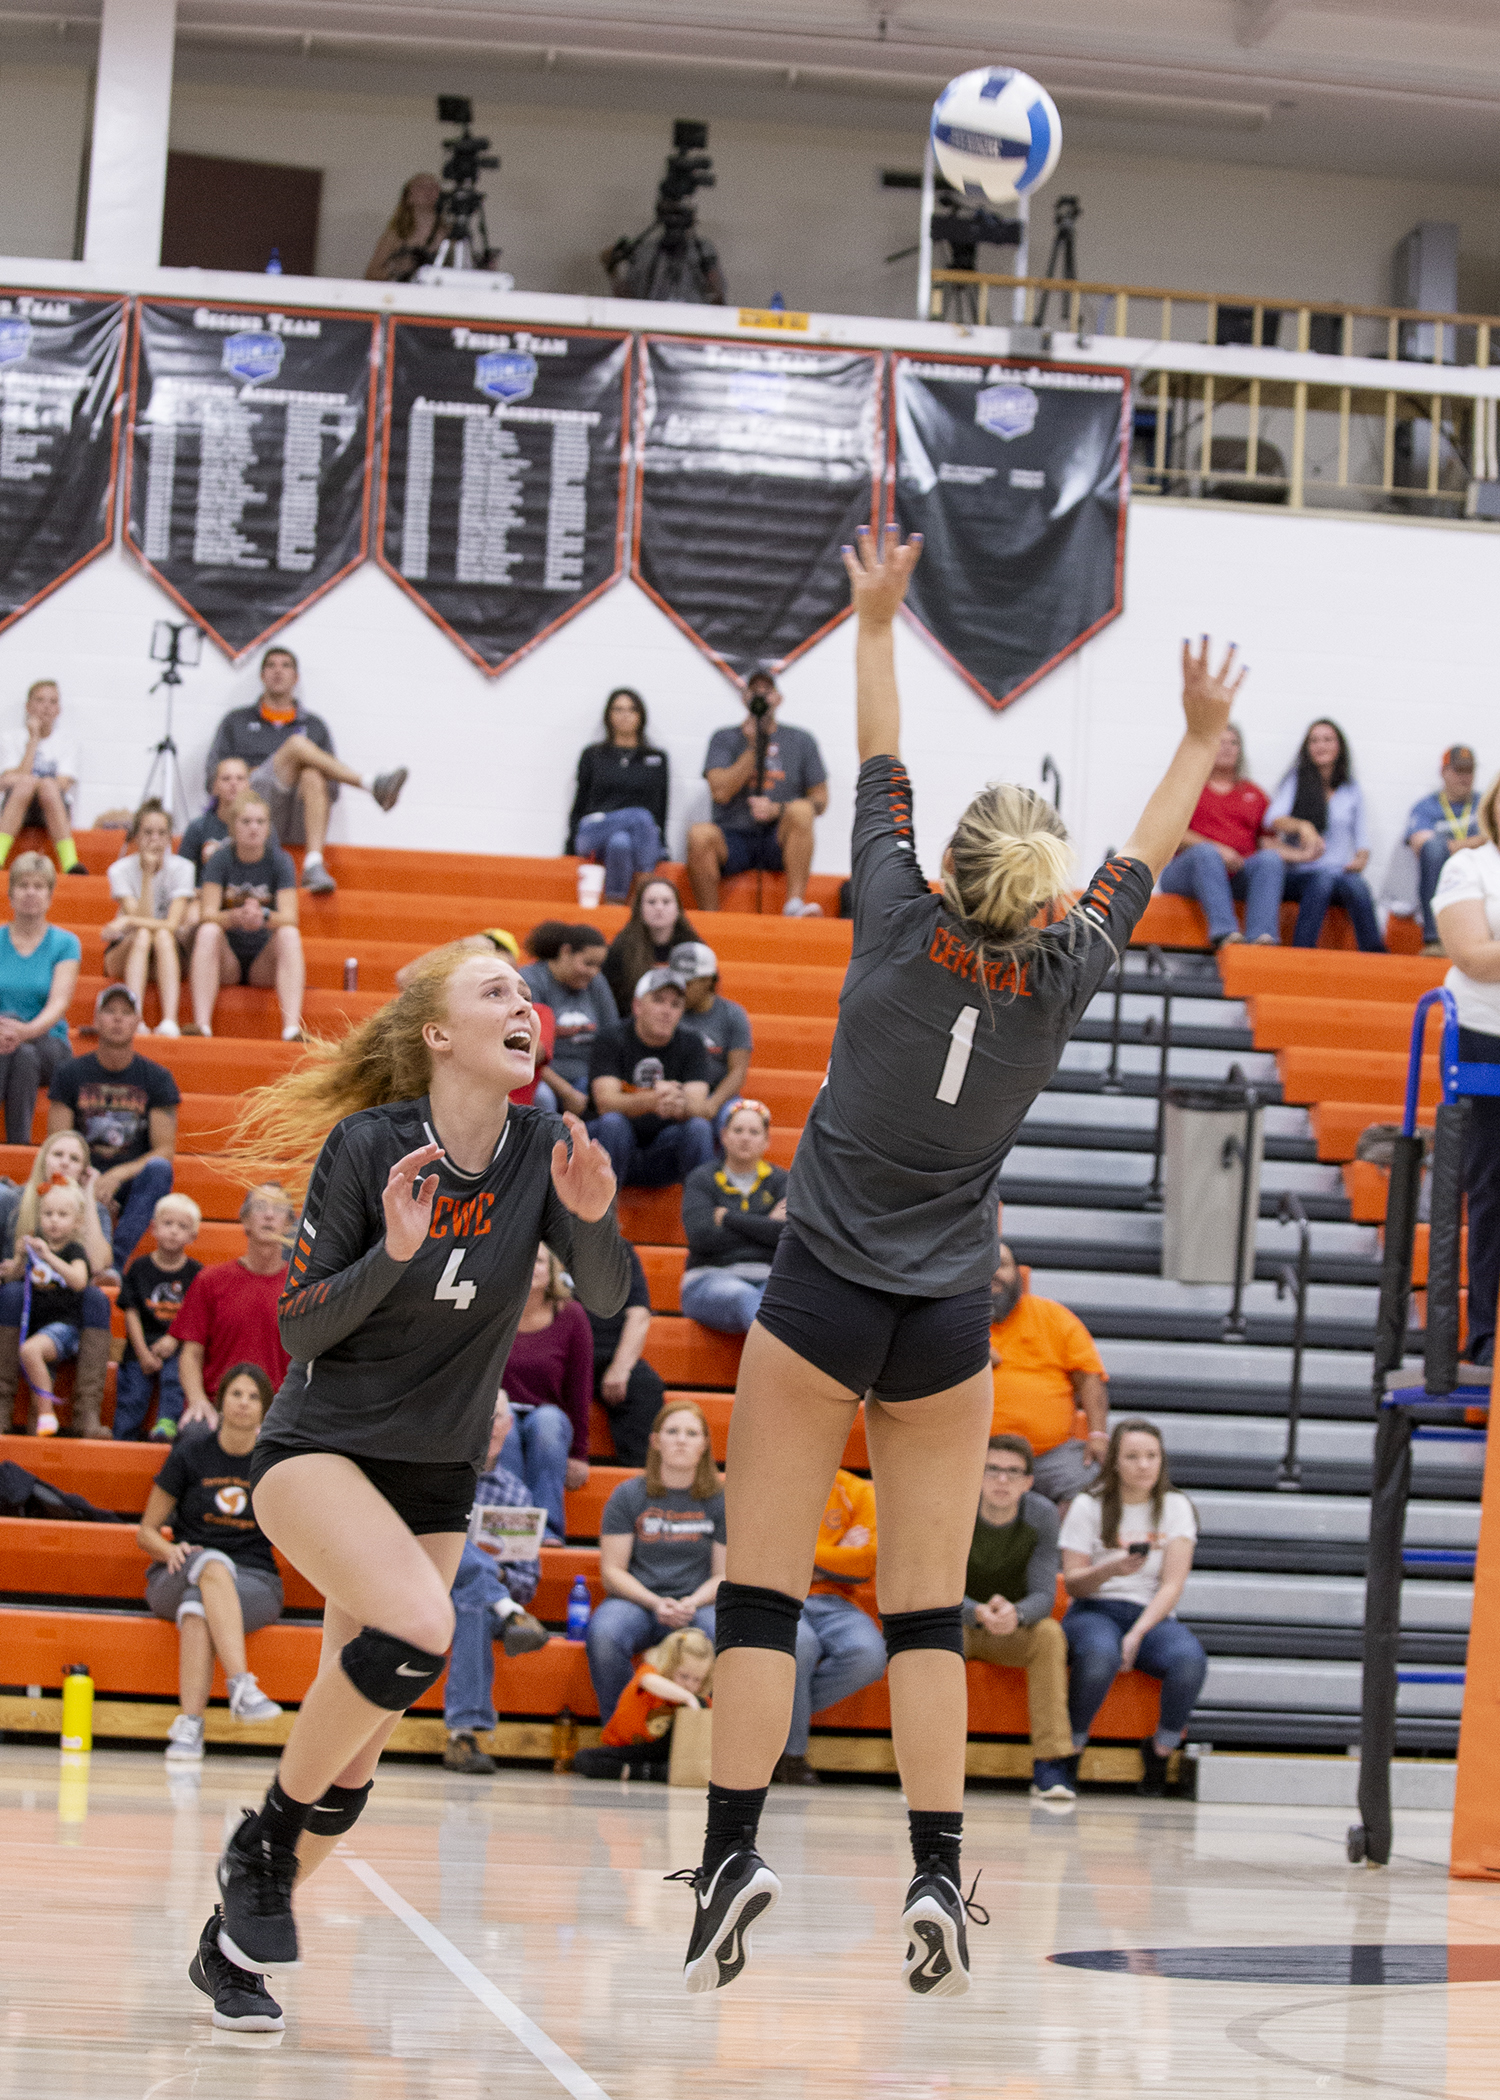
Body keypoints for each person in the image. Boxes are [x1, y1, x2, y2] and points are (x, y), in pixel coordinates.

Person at [673, 529, 1243, 2002]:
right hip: (943, 1318)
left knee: (760, 1594)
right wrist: (1193, 734)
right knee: (925, 1611)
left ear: (949, 869)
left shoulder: (890, 919)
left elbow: (880, 747)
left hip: (818, 1295)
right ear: (1043, 896)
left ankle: (734, 1850)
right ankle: (935, 1872)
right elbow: (1148, 849)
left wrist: (875, 616)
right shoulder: (1064, 975)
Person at [194, 940, 627, 2026]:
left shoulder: (543, 1147)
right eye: (495, 992)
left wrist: (598, 1213)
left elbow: (608, 1294)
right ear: (440, 1035)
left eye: (527, 994)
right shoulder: (369, 1146)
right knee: (424, 1627)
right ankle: (262, 1841)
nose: (523, 1004)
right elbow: (300, 1325)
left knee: (356, 1760)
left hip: (436, 1477)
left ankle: (228, 1946)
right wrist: (391, 1250)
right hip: (318, 1453)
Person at [139, 1363, 285, 1772]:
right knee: (210, 1566)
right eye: (236, 1393)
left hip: (255, 1582)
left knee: (199, 1603)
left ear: (265, 1410)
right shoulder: (190, 1453)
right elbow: (146, 1532)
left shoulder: (272, 1463)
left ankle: (189, 1726)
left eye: (254, 1397)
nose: (243, 1403)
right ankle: (240, 1684)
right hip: (179, 1568)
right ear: (221, 1401)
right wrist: (167, 1551)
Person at [1060, 1418, 1206, 1797]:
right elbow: (1073, 1581)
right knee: (1099, 1654)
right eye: (1133, 1457)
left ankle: (1160, 1750)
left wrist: (1139, 1632)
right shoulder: (1087, 1504)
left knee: (1190, 1660)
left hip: (1150, 1613)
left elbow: (1173, 1583)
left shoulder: (1176, 1506)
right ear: (1115, 1463)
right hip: (1094, 1608)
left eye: (1151, 1456)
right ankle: (1070, 1749)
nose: (1144, 1465)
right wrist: (1111, 1567)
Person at [202, 647, 407, 896]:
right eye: (271, 665)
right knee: (297, 745)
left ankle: (313, 865)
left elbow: (332, 790)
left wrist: (298, 774)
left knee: (312, 774)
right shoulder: (236, 721)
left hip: (298, 814)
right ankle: (371, 783)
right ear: (262, 675)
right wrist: (252, 773)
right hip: (252, 806)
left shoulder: (314, 725)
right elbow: (212, 777)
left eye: (286, 665)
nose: (278, 671)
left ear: (296, 677)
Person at [587, 1400, 725, 1727]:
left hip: (698, 1604)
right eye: (672, 1431)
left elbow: (724, 1575)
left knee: (726, 1634)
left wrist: (691, 1602)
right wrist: (656, 1602)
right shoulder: (628, 1495)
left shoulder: (720, 1500)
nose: (681, 1439)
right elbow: (612, 1572)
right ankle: (626, 1731)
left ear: (704, 1445)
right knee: (604, 1634)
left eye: (691, 1433)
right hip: (639, 1602)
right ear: (655, 1441)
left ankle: (704, 1738)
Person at [442, 1392, 550, 1777]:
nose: (489, 1423)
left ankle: (462, 1736)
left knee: (472, 1600)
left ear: (508, 1426)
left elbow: (527, 1580)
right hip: (423, 1586)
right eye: (481, 1414)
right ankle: (509, 1613)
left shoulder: (516, 1495)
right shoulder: (438, 1476)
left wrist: (499, 1575)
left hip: (468, 1603)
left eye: (498, 1416)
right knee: (454, 1541)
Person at [961, 1436, 1074, 1804]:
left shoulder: (1040, 1515)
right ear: (976, 1474)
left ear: (1028, 1481)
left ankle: (1050, 1766)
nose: (1002, 1480)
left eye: (1013, 1472)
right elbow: (935, 1584)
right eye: (992, 1469)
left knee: (1049, 1634)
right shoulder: (955, 1507)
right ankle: (926, 1765)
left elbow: (1044, 1592)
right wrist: (974, 1610)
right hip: (959, 1621)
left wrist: (1018, 1613)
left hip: (1011, 1626)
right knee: (931, 1638)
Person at [1433, 767, 1500, 1367]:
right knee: (1491, 1189)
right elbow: (1474, 957)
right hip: (1485, 1039)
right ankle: (1484, 1333)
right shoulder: (1471, 867)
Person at [49, 985, 181, 1277]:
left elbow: (165, 1150)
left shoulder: (157, 1078)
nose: (118, 1019)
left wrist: (115, 1175)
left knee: (160, 1169)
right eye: (110, 1012)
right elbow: (56, 1142)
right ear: (96, 1020)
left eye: (126, 1013)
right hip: (79, 1174)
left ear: (137, 1022)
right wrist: (88, 1180)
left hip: (130, 1180)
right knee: (59, 1162)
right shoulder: (69, 1073)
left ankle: (114, 1264)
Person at [687, 669, 829, 918]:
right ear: (744, 698)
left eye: (768, 692)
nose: (762, 698)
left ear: (779, 698)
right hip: (733, 837)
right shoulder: (724, 738)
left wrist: (778, 809)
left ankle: (794, 905)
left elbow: (820, 800)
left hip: (778, 838)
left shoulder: (801, 740)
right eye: (755, 693)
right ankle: (710, 919)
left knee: (802, 811)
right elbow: (720, 792)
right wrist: (754, 746)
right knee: (699, 835)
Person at [778, 1469, 888, 1787]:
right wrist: (838, 1552)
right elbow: (767, 1553)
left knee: (870, 1655)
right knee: (801, 1645)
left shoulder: (856, 1491)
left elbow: (865, 1562)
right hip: (779, 1594)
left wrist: (807, 1561)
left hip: (835, 1601)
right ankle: (792, 1757)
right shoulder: (774, 1478)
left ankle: (770, 1721)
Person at [988, 1243, 1109, 1506]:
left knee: (1088, 1486)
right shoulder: (951, 1319)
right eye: (983, 1266)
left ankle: (1060, 1549)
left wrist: (1098, 1435)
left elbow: (1089, 1378)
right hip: (974, 1456)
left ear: (1019, 1273)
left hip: (1050, 1455)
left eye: (1002, 1265)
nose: (993, 1273)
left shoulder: (1052, 1316)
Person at [188, 791, 306, 1042]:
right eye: (246, 822)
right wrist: (235, 916)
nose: (254, 828)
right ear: (232, 826)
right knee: (208, 931)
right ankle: (202, 1025)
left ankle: (292, 1028)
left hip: (262, 961)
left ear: (268, 827)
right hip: (227, 959)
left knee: (289, 934)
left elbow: (290, 917)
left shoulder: (280, 860)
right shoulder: (221, 858)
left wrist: (262, 916)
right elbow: (206, 913)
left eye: (260, 822)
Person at [175, 1186, 295, 1429]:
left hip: (279, 1415)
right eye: (260, 1207)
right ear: (245, 1220)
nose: (269, 1215)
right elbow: (191, 1353)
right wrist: (198, 1400)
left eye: (278, 1209)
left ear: (289, 1224)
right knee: (193, 1434)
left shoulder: (301, 1289)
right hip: (217, 1409)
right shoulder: (210, 1281)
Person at [1156, 722, 1283, 950]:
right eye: (1220, 742)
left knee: (1270, 860)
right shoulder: (1188, 787)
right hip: (1186, 874)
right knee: (1206, 854)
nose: (1227, 748)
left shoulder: (1254, 794)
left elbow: (1268, 843)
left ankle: (1261, 937)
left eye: (1233, 743)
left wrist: (1304, 853)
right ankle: (1225, 934)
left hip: (1235, 876)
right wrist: (1218, 849)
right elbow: (1170, 831)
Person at [499, 1245, 593, 1543]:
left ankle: (547, 1530)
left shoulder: (572, 1316)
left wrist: (579, 1453)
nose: (531, 1266)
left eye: (538, 1260)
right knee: (505, 1426)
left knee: (548, 1423)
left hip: (548, 1414)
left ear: (552, 1269)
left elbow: (580, 1386)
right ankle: (509, 1532)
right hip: (499, 1411)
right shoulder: (492, 1310)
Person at [589, 968, 715, 1187]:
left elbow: (698, 1106)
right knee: (612, 1123)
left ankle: (702, 1215)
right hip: (616, 1144)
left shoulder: (692, 1043)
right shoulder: (611, 1038)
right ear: (637, 1006)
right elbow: (605, 1103)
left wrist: (680, 1105)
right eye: (658, 1001)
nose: (667, 1011)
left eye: (675, 1005)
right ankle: (600, 1218)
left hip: (663, 1150)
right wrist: (655, 1099)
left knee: (698, 1128)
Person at [1266, 720, 1384, 952]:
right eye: (1314, 740)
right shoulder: (1295, 781)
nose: (1321, 745)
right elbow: (1273, 818)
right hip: (1300, 875)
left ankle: (1375, 954)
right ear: (1307, 748)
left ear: (1339, 746)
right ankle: (1302, 951)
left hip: (1338, 874)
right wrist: (1302, 826)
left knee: (1357, 885)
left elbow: (1361, 838)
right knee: (1322, 881)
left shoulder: (1351, 789)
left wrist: (1361, 858)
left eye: (1327, 739)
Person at [679, 1101, 787, 1333]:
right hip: (708, 1281)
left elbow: (787, 1238)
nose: (745, 1138)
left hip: (770, 1282)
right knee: (747, 1298)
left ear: (767, 1140)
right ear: (724, 1136)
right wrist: (766, 1224)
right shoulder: (702, 1179)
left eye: (754, 1132)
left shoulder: (783, 1181)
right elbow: (701, 1237)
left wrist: (728, 1218)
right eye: (738, 1131)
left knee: (790, 1303)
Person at [0, 852, 80, 1142]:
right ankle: (18, 1147)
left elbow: (59, 1003)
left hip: (50, 1043)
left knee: (27, 1047)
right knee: (23, 1055)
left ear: (49, 895)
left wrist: (24, 1031)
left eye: (38, 885)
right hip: (6, 1041)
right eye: (23, 885)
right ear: (10, 894)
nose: (30, 892)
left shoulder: (66, 943)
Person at [7, 1178, 95, 1437]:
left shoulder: (73, 1250)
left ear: (77, 1222)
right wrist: (20, 1257)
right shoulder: (36, 1245)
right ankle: (41, 1421)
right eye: (48, 1214)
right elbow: (12, 1279)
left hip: (64, 1329)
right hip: (37, 1327)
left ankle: (48, 1412)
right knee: (32, 1357)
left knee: (29, 1351)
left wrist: (48, 1257)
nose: (54, 1220)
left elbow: (79, 1281)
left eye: (62, 1215)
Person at [99, 801, 195, 1036]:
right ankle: (137, 1018)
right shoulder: (119, 870)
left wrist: (127, 921)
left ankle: (170, 1021)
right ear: (137, 837)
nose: (155, 839)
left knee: (161, 934)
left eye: (162, 833)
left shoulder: (183, 868)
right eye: (148, 832)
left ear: (170, 838)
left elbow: (172, 924)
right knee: (143, 933)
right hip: (127, 950)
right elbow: (140, 918)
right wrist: (147, 876)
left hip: (166, 952)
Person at [114, 1193, 203, 1442]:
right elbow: (130, 1313)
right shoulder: (139, 1267)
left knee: (177, 1375)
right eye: (168, 1224)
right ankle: (123, 1438)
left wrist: (174, 1340)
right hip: (140, 1346)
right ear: (153, 1228)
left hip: (178, 1345)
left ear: (193, 1236)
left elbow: (195, 1316)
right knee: (132, 1396)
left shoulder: (197, 1273)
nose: (174, 1231)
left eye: (182, 1226)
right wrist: (142, 1352)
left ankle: (167, 1424)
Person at [566, 689, 670, 902]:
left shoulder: (656, 758)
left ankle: (615, 905)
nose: (625, 715)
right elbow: (580, 799)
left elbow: (661, 807)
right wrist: (569, 844)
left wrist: (661, 838)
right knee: (640, 816)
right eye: (618, 709)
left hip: (634, 840)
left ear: (641, 715)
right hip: (593, 830)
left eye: (631, 709)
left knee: (620, 843)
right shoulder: (592, 754)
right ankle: (646, 891)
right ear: (608, 715)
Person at [574, 1627, 714, 1781]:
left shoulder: (697, 1698)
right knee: (584, 1759)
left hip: (664, 1753)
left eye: (697, 1680)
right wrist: (687, 1697)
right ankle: (651, 1773)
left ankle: (648, 1772)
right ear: (669, 1665)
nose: (689, 1685)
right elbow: (648, 1681)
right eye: (684, 1676)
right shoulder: (651, 1674)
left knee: (701, 1704)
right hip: (628, 1750)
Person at [519, 922, 617, 1118]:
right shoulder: (532, 980)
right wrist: (566, 1092)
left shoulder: (596, 983)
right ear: (565, 952)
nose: (594, 972)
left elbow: (611, 1036)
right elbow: (526, 1050)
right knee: (544, 1098)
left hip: (587, 1076)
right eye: (588, 963)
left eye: (598, 966)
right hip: (540, 1077)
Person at [584, 1240, 663, 1467]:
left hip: (608, 1354)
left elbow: (639, 1313)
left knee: (645, 1386)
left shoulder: (619, 1250)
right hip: (558, 1356)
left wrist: (620, 1367)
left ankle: (644, 1486)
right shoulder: (544, 1246)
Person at [0, 1127, 112, 1283]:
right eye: (58, 1154)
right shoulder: (10, 1200)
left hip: (70, 1293)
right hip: (19, 1288)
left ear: (83, 1171)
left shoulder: (96, 1210)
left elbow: (97, 1266)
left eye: (74, 1159)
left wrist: (89, 1194)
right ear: (43, 1159)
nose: (65, 1163)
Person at [0, 678, 85, 874]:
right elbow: (4, 782)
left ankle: (71, 864)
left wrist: (28, 780)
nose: (46, 707)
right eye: (40, 700)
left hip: (52, 806)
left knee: (46, 785)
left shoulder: (68, 742)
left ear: (58, 710)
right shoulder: (10, 739)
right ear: (28, 706)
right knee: (27, 784)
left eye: (53, 702)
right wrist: (34, 739)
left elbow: (63, 784)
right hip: (17, 806)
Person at [1406, 745, 1481, 956]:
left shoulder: (1486, 803)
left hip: (1482, 873)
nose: (1464, 777)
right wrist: (1476, 842)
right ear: (1443, 772)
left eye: (1469, 771)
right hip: (1443, 875)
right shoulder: (1426, 807)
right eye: (1458, 771)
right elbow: (1421, 844)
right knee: (1434, 849)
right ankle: (1434, 939)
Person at [671, 942, 753, 1130]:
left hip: (720, 1094)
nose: (681, 988)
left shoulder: (733, 1014)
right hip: (678, 1093)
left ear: (708, 980)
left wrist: (712, 1104)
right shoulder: (667, 1012)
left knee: (737, 1121)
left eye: (688, 982)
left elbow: (738, 1071)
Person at [601, 878, 698, 1018]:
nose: (659, 908)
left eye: (666, 902)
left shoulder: (694, 949)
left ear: (678, 909)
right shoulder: (620, 950)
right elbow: (611, 1002)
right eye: (651, 902)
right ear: (639, 909)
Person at [180, 756, 254, 883]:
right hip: (203, 897)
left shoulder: (261, 826)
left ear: (249, 785)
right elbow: (181, 876)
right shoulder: (198, 827)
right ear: (214, 786)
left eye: (240, 778)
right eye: (226, 778)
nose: (233, 783)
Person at [365, 171, 441, 282]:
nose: (428, 191)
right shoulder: (395, 235)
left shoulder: (450, 234)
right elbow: (370, 274)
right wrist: (394, 268)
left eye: (433, 187)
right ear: (408, 197)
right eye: (421, 187)